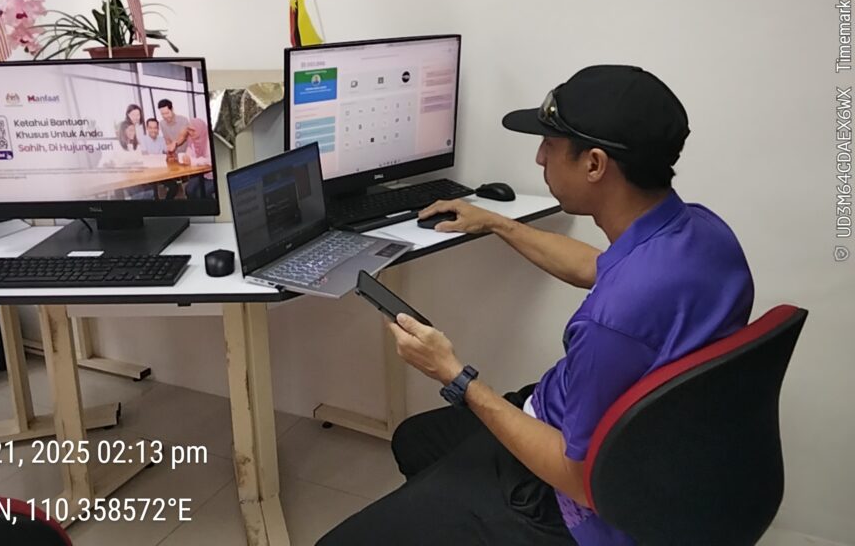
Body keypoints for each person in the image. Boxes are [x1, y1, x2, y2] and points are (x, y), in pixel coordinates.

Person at [317, 65, 754, 546]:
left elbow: (578, 478)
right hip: (653, 455)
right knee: (415, 440)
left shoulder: (613, 321)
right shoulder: (703, 235)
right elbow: (598, 266)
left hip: (568, 499)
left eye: (549, 144)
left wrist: (454, 375)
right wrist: (497, 223)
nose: (540, 156)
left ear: (594, 165)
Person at [182, 117, 215, 198]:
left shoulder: (209, 140)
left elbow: (210, 161)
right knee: (189, 190)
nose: (190, 133)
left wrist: (192, 161)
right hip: (201, 174)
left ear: (200, 129)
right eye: (189, 129)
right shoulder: (191, 139)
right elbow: (189, 153)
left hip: (212, 176)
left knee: (200, 194)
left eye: (193, 130)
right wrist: (185, 157)